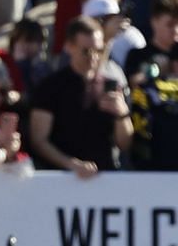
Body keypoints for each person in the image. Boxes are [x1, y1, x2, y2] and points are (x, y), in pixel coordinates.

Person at [28, 18, 133, 175]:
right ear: (69, 47)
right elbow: (39, 140)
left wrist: (122, 114)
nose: (93, 57)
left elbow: (125, 144)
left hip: (106, 177)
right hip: (62, 179)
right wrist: (71, 164)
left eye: (98, 50)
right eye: (86, 51)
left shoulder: (112, 86)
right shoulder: (51, 87)